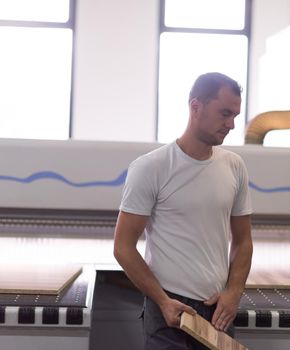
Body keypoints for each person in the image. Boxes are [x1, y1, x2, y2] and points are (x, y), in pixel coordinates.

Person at [113, 72, 253, 350]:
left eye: (235, 115)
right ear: (195, 107)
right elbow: (123, 247)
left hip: (218, 312)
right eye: (225, 113)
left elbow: (243, 240)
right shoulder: (151, 167)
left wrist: (233, 292)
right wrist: (162, 300)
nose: (231, 124)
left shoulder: (234, 166)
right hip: (169, 311)